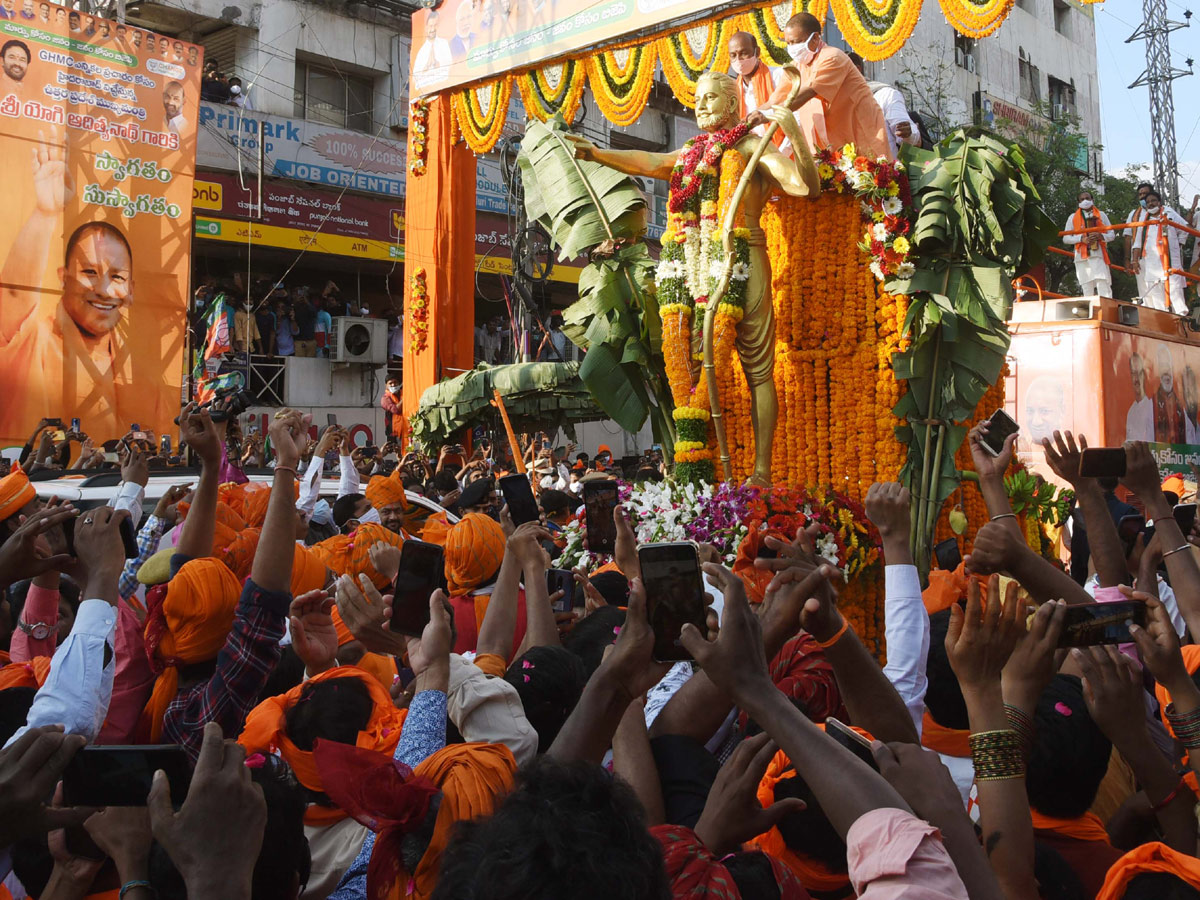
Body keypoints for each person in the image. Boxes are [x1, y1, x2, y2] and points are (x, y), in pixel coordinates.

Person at [569, 70, 819, 486]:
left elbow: (803, 187)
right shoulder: (692, 154)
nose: (700, 105)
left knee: (758, 371)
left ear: (731, 104)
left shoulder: (752, 147)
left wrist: (791, 129)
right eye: (697, 98)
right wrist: (596, 154)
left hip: (744, 256)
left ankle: (761, 471)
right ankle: (708, 469)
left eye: (710, 98)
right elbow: (652, 162)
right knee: (698, 365)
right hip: (695, 264)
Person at [0, 211, 168, 443]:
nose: (104, 290)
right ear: (63, 278)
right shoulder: (32, 339)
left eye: (117, 277)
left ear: (130, 291)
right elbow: (13, 297)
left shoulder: (144, 381)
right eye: (89, 272)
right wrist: (44, 213)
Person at [747, 13, 890, 162]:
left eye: (796, 42)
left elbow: (807, 93)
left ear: (815, 38)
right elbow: (774, 100)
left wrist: (768, 115)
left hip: (861, 133)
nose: (792, 48)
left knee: (871, 178)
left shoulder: (832, 57)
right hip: (833, 144)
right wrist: (746, 122)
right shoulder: (796, 67)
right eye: (788, 43)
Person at [848, 52, 921, 157]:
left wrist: (908, 134)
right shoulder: (830, 104)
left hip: (884, 170)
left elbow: (912, 138)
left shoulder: (885, 95)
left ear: (856, 70)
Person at [1130, 190, 1189, 313]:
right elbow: (1137, 243)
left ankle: (1182, 321)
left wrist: (1179, 244)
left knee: (1175, 292)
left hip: (1170, 260)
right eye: (1148, 202)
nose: (1151, 204)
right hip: (1152, 263)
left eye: (1153, 201)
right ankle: (1163, 321)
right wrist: (1134, 260)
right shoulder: (1144, 220)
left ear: (1159, 202)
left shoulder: (1169, 213)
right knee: (1157, 296)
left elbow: (1185, 227)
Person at [728, 31, 787, 149]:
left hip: (783, 152)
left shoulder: (779, 75)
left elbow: (792, 114)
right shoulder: (733, 89)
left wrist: (780, 154)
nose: (738, 60)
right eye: (733, 55)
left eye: (743, 53)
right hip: (751, 155)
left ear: (757, 52)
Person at [1064, 189, 1115, 297]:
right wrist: (1081, 239)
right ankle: (1091, 310)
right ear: (1078, 203)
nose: (1085, 201)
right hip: (1081, 257)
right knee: (1086, 286)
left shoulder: (1101, 215)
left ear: (1092, 200)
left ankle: (1106, 309)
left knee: (1102, 282)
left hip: (1098, 254)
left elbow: (1112, 235)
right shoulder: (1072, 217)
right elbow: (1066, 238)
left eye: (1087, 198)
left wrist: (1101, 236)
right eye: (1082, 199)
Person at [1154, 344, 1186, 444]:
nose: (1167, 372)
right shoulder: (1151, 405)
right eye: (1163, 366)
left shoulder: (1181, 405)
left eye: (1169, 366)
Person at [1127, 351, 1155, 443]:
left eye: (1139, 373)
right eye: (1133, 373)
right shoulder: (1131, 412)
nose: (1136, 379)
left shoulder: (1152, 408)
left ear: (1144, 375)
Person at [293, 290, 318, 357]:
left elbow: (314, 313)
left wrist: (306, 302)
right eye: (299, 295)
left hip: (311, 340)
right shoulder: (294, 307)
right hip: (299, 340)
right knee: (299, 363)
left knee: (311, 363)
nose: (301, 297)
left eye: (303, 295)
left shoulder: (310, 305)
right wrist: (296, 302)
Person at [381, 375, 402, 440]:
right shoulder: (385, 398)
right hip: (394, 434)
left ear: (399, 384)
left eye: (395, 382)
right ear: (386, 385)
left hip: (407, 431)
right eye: (390, 383)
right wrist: (404, 399)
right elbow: (395, 410)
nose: (393, 385)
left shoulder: (404, 393)